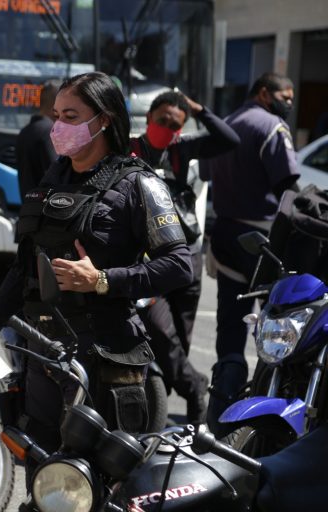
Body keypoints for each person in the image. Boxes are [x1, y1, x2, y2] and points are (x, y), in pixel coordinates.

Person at [0, 72, 193, 486]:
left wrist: (102, 279)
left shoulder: (139, 182)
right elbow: (22, 270)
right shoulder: (54, 178)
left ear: (104, 119)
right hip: (43, 356)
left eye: (71, 115)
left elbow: (179, 265)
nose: (58, 126)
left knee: (97, 486)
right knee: (43, 482)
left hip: (104, 360)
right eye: (56, 114)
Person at [130, 91, 240, 425]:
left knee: (176, 347)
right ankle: (194, 390)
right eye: (162, 120)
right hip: (149, 262)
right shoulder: (129, 149)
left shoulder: (182, 149)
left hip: (186, 259)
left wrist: (199, 110)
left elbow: (229, 139)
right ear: (149, 117)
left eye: (175, 125)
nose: (167, 128)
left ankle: (175, 420)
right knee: (160, 334)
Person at [204, 72, 300, 434]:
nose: (288, 103)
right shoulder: (272, 127)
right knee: (279, 325)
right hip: (262, 239)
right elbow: (288, 186)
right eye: (285, 96)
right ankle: (268, 412)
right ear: (264, 93)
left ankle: (221, 410)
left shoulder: (227, 123)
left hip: (225, 233)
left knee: (231, 325)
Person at [16, 79, 60, 199]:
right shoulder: (49, 131)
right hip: (45, 209)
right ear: (56, 104)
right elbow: (55, 174)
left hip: (29, 207)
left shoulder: (25, 131)